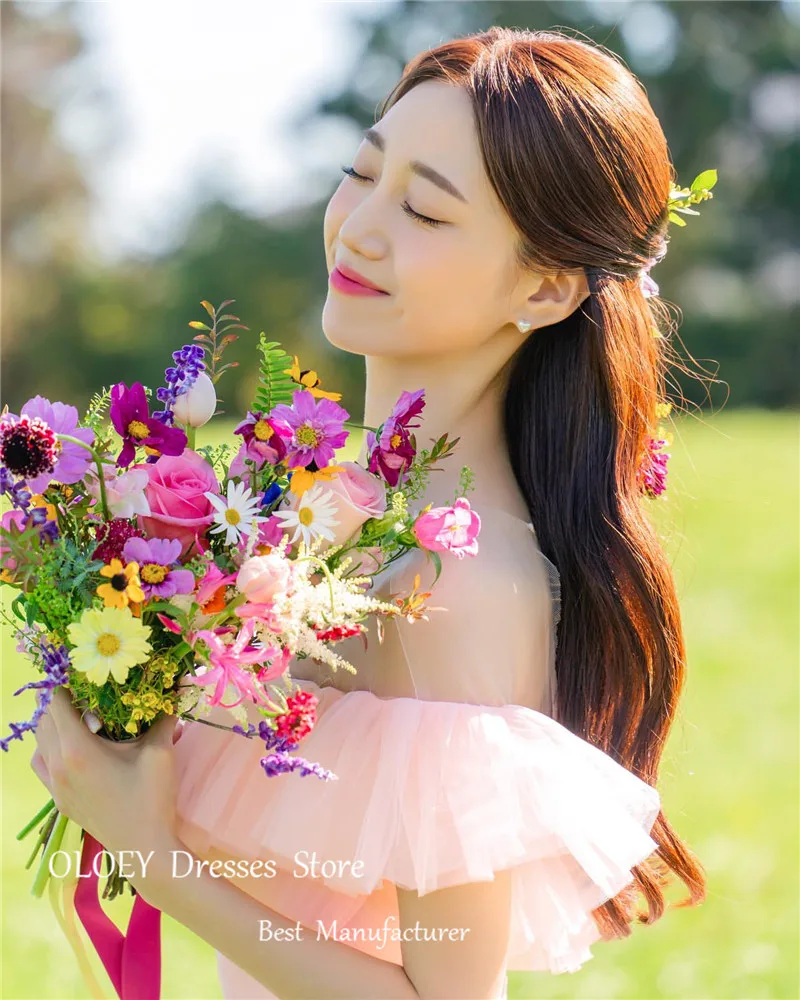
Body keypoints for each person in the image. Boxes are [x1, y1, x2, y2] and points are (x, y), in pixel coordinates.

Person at [32, 25, 707, 1000]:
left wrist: (155, 855)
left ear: (545, 286)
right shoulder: (328, 512)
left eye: (425, 212)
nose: (357, 228)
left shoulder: (461, 587)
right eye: (362, 171)